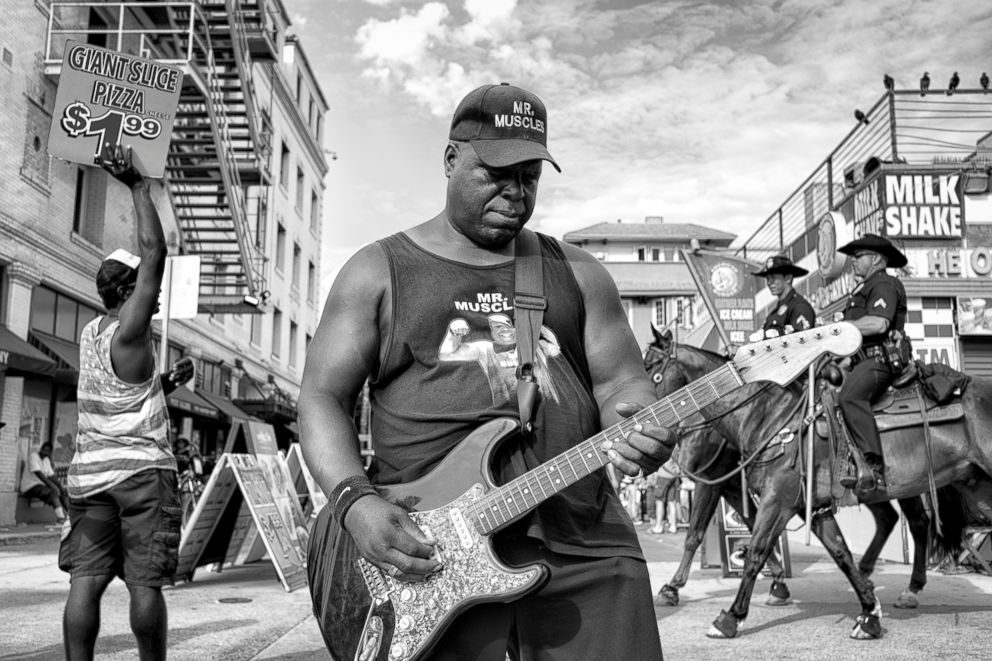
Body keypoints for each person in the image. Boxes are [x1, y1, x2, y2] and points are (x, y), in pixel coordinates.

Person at [299, 82, 675, 660]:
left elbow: (620, 381)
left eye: (529, 176)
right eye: (496, 171)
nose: (514, 191)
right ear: (451, 158)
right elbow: (322, 397)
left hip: (581, 536)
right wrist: (355, 503)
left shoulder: (578, 271)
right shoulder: (377, 271)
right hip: (428, 551)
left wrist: (642, 422)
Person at [59, 143, 183, 661]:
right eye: (144, 288)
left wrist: (165, 386)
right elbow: (155, 252)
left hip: (90, 477)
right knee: (143, 584)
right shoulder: (132, 331)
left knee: (85, 583)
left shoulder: (93, 334)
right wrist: (136, 183)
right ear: (133, 291)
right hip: (139, 477)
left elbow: (118, 395)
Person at [836, 233, 908, 490]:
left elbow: (879, 323)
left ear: (876, 258)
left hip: (879, 361)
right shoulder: (862, 289)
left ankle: (873, 467)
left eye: (858, 256)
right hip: (859, 362)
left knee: (849, 397)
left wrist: (838, 329)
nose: (853, 262)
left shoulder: (884, 283)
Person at [754, 254, 816, 334]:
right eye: (768, 279)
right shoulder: (773, 314)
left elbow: (801, 341)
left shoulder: (799, 306)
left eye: (773, 277)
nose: (769, 282)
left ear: (788, 278)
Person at [19, 441, 67, 522]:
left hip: (41, 486)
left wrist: (61, 487)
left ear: (50, 453)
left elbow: (51, 476)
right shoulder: (33, 456)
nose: (45, 452)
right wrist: (53, 486)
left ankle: (71, 516)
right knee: (53, 492)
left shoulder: (46, 460)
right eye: (44, 450)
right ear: (41, 449)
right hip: (29, 487)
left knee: (63, 492)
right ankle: (61, 518)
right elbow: (39, 474)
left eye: (48, 451)